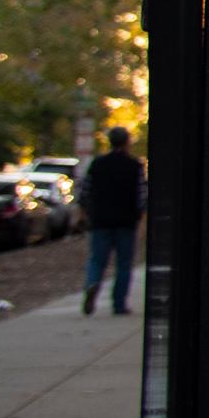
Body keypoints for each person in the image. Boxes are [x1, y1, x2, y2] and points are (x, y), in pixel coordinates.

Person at [80, 127, 145, 316]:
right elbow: (142, 195)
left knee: (97, 259)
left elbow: (84, 192)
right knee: (123, 264)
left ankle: (92, 283)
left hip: (101, 220)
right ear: (127, 142)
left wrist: (86, 214)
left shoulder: (97, 164)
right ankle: (119, 304)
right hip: (126, 221)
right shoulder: (134, 166)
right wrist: (140, 217)